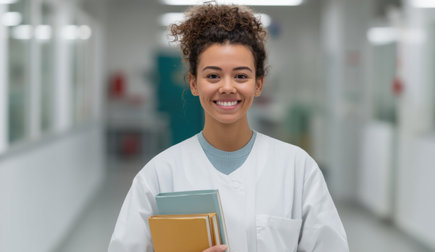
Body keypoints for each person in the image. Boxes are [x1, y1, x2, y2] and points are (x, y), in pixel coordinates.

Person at [108, 3, 348, 252]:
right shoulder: (159, 175)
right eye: (213, 76)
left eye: (241, 76)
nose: (227, 87)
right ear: (193, 83)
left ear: (258, 84)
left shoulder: (298, 169)